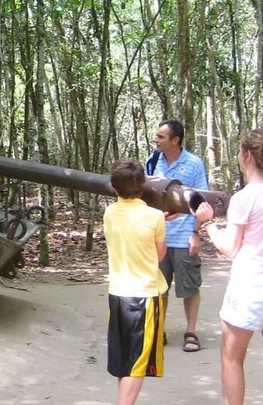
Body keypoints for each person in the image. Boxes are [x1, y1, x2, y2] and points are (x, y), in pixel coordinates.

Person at [195, 128, 263, 405]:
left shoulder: (245, 198)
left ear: (247, 156)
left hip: (250, 285)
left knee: (232, 358)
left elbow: (228, 248)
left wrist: (208, 222)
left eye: (239, 152)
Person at [104, 158, 168, 405]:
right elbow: (160, 255)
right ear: (142, 185)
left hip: (118, 294)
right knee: (138, 364)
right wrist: (160, 221)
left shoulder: (109, 212)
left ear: (114, 187)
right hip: (145, 297)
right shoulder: (155, 217)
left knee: (125, 362)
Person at [148, 119, 209, 352]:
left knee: (189, 287)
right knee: (158, 286)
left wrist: (195, 234)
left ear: (176, 140)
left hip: (184, 235)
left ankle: (190, 332)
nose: (156, 140)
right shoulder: (153, 162)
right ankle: (158, 330)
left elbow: (200, 200)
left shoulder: (193, 164)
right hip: (158, 235)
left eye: (161, 137)